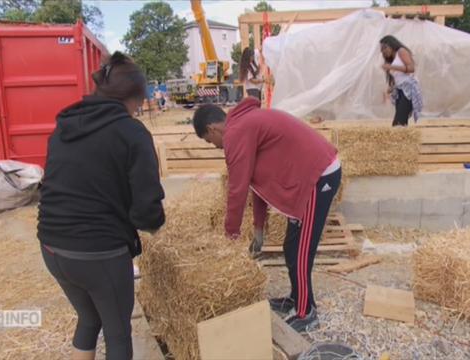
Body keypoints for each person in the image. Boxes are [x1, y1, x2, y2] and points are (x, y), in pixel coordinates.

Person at [37, 52, 165, 360]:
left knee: (89, 318)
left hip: (51, 246)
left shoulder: (65, 125)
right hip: (97, 252)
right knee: (118, 333)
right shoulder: (132, 132)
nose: (137, 111)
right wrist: (152, 224)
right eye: (138, 104)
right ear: (133, 99)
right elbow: (147, 209)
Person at [192, 97, 342, 333]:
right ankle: (296, 298)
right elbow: (256, 184)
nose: (216, 147)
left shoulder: (235, 133)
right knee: (291, 246)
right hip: (306, 176)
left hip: (317, 175)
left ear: (212, 129)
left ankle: (306, 313)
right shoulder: (243, 126)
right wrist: (259, 229)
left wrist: (230, 238)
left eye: (211, 142)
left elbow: (237, 189)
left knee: (301, 250)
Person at [380, 35, 423, 126]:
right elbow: (399, 77)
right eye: (382, 50)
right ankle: (401, 136)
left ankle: (400, 137)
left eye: (385, 48)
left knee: (399, 121)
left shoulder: (401, 51)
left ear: (391, 45)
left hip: (408, 89)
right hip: (400, 90)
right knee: (400, 119)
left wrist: (391, 67)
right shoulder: (391, 59)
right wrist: (392, 88)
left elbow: (411, 68)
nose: (384, 51)